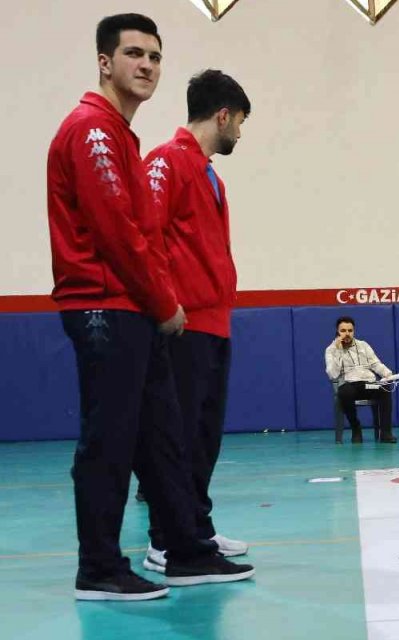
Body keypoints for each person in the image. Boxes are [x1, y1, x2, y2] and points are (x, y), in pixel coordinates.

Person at [48, 13, 253, 601]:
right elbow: (123, 231)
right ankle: (100, 567)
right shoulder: (94, 131)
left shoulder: (121, 135)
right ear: (105, 62)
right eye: (134, 54)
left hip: (136, 307)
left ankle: (187, 547)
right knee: (110, 439)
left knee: (165, 437)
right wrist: (168, 303)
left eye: (155, 57)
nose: (146, 65)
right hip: (108, 305)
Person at [138, 69, 251, 576]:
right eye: (240, 123)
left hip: (216, 323)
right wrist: (165, 305)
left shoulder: (208, 173)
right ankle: (165, 540)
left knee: (204, 437)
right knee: (175, 436)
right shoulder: (166, 161)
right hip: (183, 326)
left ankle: (195, 528)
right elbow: (146, 235)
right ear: (222, 115)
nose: (240, 135)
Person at [325, 316, 398, 443]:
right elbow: (332, 374)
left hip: (368, 383)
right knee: (344, 393)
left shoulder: (363, 345)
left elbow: (375, 364)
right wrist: (338, 351)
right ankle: (356, 428)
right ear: (337, 332)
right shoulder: (331, 350)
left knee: (385, 389)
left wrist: (387, 373)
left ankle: (385, 433)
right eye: (343, 331)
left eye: (350, 330)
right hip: (349, 385)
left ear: (354, 331)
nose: (347, 334)